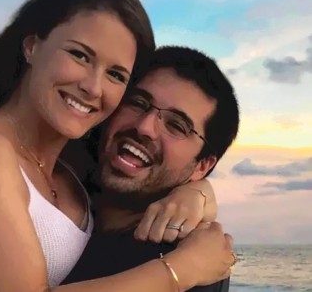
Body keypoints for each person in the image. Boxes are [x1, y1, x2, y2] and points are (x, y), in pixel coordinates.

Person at [0, 0, 235, 292]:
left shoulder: (73, 169)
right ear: (32, 45)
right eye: (79, 55)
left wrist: (197, 193)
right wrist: (182, 270)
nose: (92, 87)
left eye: (115, 74)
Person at [62, 46, 240, 291]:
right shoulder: (56, 176)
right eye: (138, 102)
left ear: (202, 166)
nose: (144, 127)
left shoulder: (195, 265)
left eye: (177, 126)